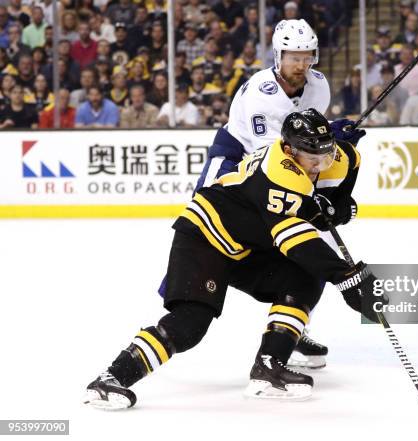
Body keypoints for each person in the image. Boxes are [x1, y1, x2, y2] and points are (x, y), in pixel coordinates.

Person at [83, 109, 380, 409]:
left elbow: (351, 162)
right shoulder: (279, 172)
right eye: (312, 158)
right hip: (205, 236)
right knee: (190, 324)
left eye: (326, 157)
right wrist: (346, 277)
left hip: (246, 244)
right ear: (289, 150)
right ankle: (111, 379)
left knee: (305, 279)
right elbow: (294, 240)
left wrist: (338, 204)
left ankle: (268, 367)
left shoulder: (332, 155)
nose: (319, 166)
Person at [172, 19, 365, 369]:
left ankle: (291, 324)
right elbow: (276, 159)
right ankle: (186, 299)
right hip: (236, 160)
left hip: (281, 161)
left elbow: (304, 148)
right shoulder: (262, 92)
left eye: (308, 57)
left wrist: (332, 139)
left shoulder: (318, 86)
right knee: (206, 232)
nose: (302, 65)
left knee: (302, 249)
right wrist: (331, 140)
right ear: (278, 56)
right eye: (294, 57)